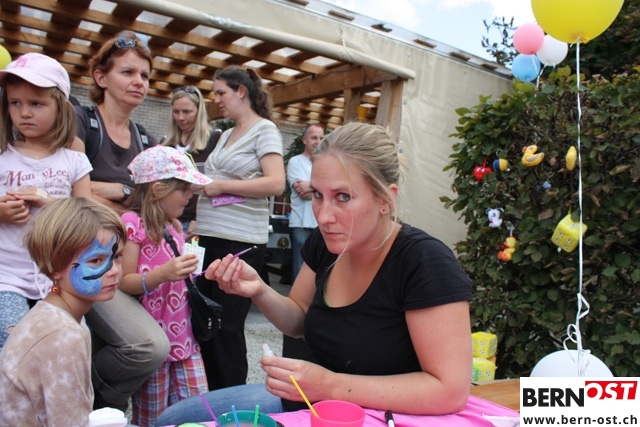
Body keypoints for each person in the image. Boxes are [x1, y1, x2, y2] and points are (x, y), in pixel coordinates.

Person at [157, 122, 473, 426]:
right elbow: (298, 318)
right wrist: (259, 290)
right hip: (310, 405)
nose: (323, 216)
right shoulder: (326, 243)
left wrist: (331, 385)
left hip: (384, 415)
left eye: (343, 197)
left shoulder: (424, 261)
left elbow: (450, 390)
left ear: (385, 200)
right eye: (318, 195)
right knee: (169, 420)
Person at [74, 30, 170, 411]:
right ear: (101, 77)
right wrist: (124, 201)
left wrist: (106, 190)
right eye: (128, 72)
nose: (139, 82)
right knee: (146, 345)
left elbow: (152, 207)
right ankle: (91, 404)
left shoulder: (145, 138)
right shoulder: (82, 120)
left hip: (126, 261)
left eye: (145, 75)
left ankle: (93, 404)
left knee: (146, 347)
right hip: (82, 257)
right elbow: (71, 195)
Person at [194, 65, 285, 390]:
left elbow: (276, 183)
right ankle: (212, 397)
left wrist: (222, 186)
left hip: (239, 241)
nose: (216, 99)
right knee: (206, 321)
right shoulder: (225, 134)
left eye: (221, 93)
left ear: (241, 91)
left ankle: (231, 399)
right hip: (210, 238)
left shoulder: (265, 130)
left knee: (227, 327)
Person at [0, 197, 126, 427]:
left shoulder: (61, 315)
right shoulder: (62, 334)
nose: (114, 270)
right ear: (55, 266)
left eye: (116, 257)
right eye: (96, 260)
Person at [0, 52, 92, 352]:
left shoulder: (75, 161)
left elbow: (89, 220)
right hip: (6, 277)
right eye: (15, 103)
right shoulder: (3, 155)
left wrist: (51, 204)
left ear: (61, 108)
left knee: (71, 344)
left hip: (57, 277)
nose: (24, 112)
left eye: (36, 104)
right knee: (13, 344)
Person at [119, 145, 211, 426]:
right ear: (158, 189)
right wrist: (161, 274)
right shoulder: (132, 224)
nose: (190, 195)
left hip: (185, 337)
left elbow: (181, 277)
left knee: (198, 408)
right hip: (154, 339)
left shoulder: (175, 226)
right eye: (184, 189)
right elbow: (124, 280)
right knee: (153, 416)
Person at [161, 85, 221, 239]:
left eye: (187, 112)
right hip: (166, 222)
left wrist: (199, 219)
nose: (180, 117)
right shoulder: (165, 145)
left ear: (199, 112)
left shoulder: (215, 140)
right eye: (176, 112)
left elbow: (221, 183)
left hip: (197, 225)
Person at [286, 124, 323, 281]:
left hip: (322, 224)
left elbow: (330, 192)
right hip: (301, 224)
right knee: (300, 274)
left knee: (321, 273)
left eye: (321, 138)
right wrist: (322, 191)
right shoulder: (295, 161)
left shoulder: (325, 164)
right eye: (314, 137)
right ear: (304, 140)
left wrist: (311, 186)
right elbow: (303, 194)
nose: (318, 141)